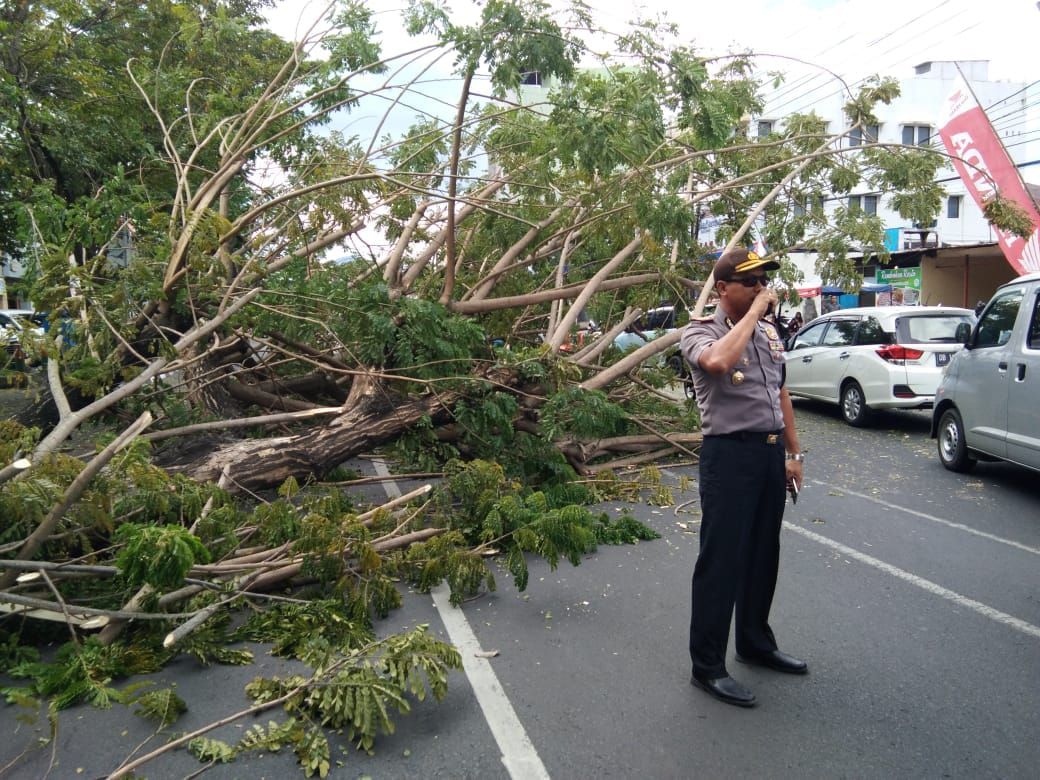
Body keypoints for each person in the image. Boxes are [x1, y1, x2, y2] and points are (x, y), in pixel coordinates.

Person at [680, 248, 806, 708]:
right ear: (722, 288)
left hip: (769, 454)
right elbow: (717, 363)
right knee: (722, 562)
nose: (760, 289)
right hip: (728, 457)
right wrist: (753, 314)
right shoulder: (699, 332)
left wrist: (794, 453)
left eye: (762, 282)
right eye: (749, 282)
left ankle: (755, 642)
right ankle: (707, 666)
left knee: (762, 554)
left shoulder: (769, 332)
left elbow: (780, 391)